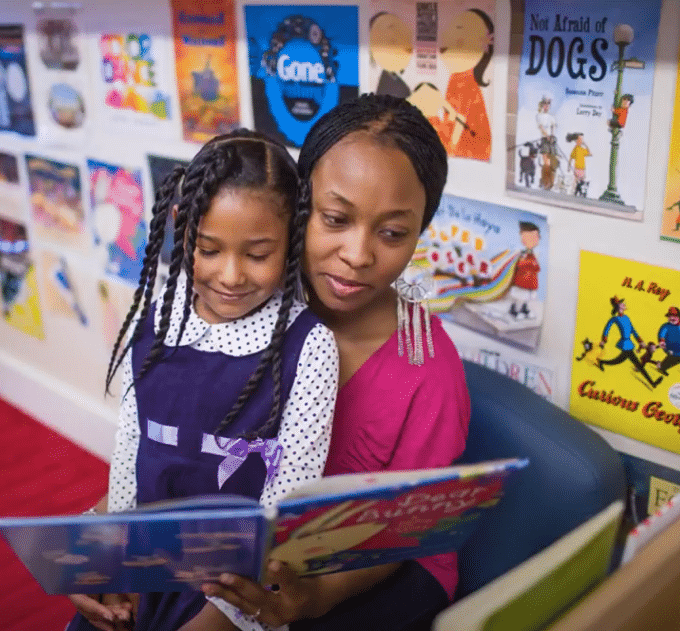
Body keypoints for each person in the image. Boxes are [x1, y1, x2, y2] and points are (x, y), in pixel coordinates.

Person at [198, 94, 471, 631]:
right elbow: (172, 442)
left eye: (392, 233)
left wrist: (314, 597)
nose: (358, 253)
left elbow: (405, 528)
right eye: (336, 219)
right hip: (258, 539)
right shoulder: (246, 300)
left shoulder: (430, 371)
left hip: (385, 562)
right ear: (299, 206)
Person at [67, 130, 340, 631]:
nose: (231, 275)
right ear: (183, 229)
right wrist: (113, 562)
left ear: (291, 241)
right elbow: (130, 453)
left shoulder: (310, 346)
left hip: (236, 594)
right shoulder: (154, 322)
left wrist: (227, 615)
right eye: (208, 249)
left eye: (257, 254)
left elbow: (287, 507)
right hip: (144, 568)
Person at [420, 8, 494, 160]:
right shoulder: (457, 77)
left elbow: (458, 125)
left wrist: (449, 149)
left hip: (467, 152)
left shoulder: (465, 83)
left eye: (458, 29)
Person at [597, 296, 662, 389]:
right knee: (638, 365)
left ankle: (602, 362)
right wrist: (604, 340)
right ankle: (653, 383)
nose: (624, 304)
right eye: (622, 303)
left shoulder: (627, 317)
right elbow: (607, 328)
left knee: (618, 361)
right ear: (618, 307)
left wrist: (640, 341)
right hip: (624, 344)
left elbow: (633, 330)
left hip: (629, 344)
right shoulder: (615, 319)